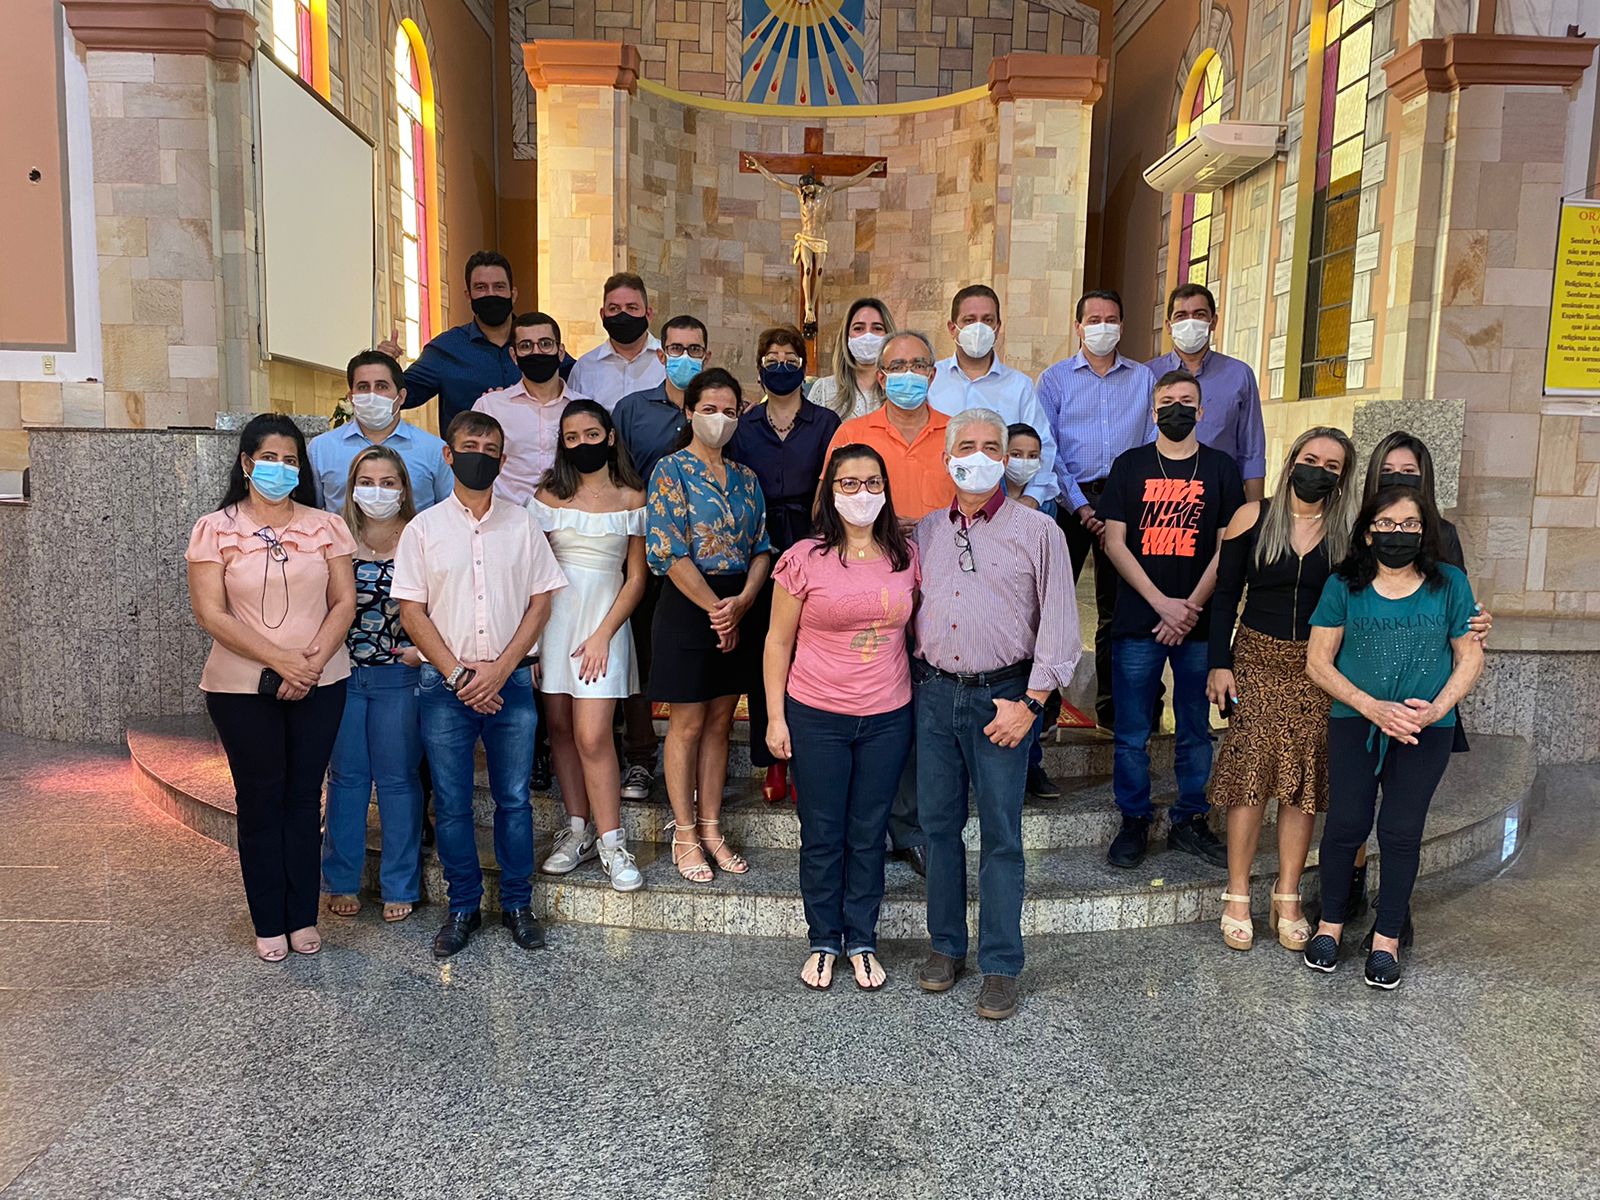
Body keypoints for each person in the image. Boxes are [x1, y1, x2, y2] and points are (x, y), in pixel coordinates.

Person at [912, 408, 1079, 1021]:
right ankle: (945, 946)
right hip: (934, 695)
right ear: (947, 457)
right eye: (966, 446)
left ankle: (1002, 964)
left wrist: (1031, 705)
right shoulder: (927, 530)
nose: (978, 457)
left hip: (1002, 698)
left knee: (1002, 836)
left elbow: (1059, 626)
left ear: (1007, 459)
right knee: (938, 827)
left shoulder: (1039, 532)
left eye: (991, 447)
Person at [393, 411, 568, 959]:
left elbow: (541, 603)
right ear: (449, 455)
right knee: (451, 803)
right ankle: (463, 906)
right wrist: (458, 674)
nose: (481, 457)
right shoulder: (423, 529)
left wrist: (499, 669)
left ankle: (517, 904)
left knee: (514, 800)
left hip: (509, 683)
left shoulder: (522, 525)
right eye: (470, 447)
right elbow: (412, 611)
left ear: (503, 460)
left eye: (491, 450)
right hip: (445, 687)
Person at [185, 413, 357, 963]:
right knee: (260, 799)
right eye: (269, 458)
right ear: (246, 462)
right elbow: (211, 613)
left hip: (321, 678)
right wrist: (282, 660)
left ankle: (302, 915)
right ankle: (268, 920)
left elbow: (344, 602)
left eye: (290, 460)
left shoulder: (326, 526)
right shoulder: (215, 528)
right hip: (239, 687)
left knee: (304, 799)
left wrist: (309, 664)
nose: (280, 469)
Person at [1303, 485, 1485, 989]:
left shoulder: (1449, 583)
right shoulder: (1344, 584)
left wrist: (1434, 712)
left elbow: (1470, 656)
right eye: (1386, 524)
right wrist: (1372, 707)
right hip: (1355, 722)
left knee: (1402, 831)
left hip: (1425, 730)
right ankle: (1329, 926)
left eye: (1409, 525)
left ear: (1424, 532)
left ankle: (1386, 940)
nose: (1397, 534)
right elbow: (1318, 661)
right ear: (1368, 532)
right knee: (1346, 824)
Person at [764, 444, 918, 991]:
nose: (862, 494)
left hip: (887, 716)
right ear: (830, 492)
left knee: (869, 832)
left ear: (886, 489)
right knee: (823, 833)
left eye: (873, 483)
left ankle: (863, 940)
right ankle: (825, 939)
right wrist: (775, 717)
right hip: (817, 715)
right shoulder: (804, 558)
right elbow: (777, 641)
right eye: (848, 484)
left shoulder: (906, 556)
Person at [1205, 427, 1360, 952]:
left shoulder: (1348, 534)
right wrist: (1219, 664)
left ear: (1343, 477)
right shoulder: (1253, 517)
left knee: (1303, 779)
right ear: (1292, 461)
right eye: (1311, 458)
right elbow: (1225, 596)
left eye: (1333, 466)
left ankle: (1287, 895)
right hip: (1255, 658)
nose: (1319, 470)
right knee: (1250, 773)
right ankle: (1237, 894)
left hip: (1316, 665)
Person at [1099, 369, 1244, 870]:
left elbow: (1228, 548)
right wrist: (1162, 604)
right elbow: (1114, 542)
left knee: (1194, 729)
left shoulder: (1221, 469)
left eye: (1186, 400)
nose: (1176, 408)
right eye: (1167, 401)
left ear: (1201, 411)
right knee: (1131, 731)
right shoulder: (1130, 465)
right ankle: (1134, 818)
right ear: (1153, 410)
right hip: (1139, 619)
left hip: (1198, 624)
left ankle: (1190, 818)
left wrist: (1188, 609)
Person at [1344, 431, 1490, 927]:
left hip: (1420, 692)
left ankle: (1395, 906)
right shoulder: (1353, 524)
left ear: (1425, 479)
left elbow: (1459, 605)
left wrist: (1478, 623)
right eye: (1388, 471)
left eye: (1409, 473)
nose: (1398, 479)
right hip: (1358, 685)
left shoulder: (1442, 533)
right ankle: (1352, 884)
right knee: (1353, 809)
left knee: (1403, 814)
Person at [824, 331, 954, 874]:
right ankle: (864, 825)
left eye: (918, 364)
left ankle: (909, 825)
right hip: (866, 590)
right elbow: (827, 506)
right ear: (880, 376)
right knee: (865, 707)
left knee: (918, 710)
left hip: (937, 591)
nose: (907, 374)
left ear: (932, 374)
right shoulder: (853, 433)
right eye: (896, 365)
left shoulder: (953, 432)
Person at [646, 368, 771, 882]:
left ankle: (712, 828)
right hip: (687, 603)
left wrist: (742, 602)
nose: (720, 419)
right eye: (710, 409)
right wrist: (716, 609)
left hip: (739, 602)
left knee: (720, 721)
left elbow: (762, 547)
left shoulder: (747, 478)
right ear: (689, 411)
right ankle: (684, 832)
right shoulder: (670, 470)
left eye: (730, 411)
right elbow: (667, 549)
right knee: (688, 723)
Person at [531, 400, 648, 892]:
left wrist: (603, 633)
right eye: (572, 437)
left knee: (594, 735)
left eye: (591, 434)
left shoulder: (632, 496)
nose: (582, 444)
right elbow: (533, 573)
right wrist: (531, 643)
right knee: (559, 728)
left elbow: (636, 577)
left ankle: (612, 842)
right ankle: (577, 830)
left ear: (610, 437)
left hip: (606, 624)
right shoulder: (547, 496)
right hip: (553, 622)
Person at [729, 325, 842, 804]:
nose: (781, 365)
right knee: (766, 650)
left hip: (812, 538)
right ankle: (773, 760)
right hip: (758, 545)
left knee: (809, 653)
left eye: (790, 358)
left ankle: (807, 759)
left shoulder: (825, 421)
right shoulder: (744, 425)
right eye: (772, 358)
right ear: (759, 368)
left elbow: (834, 480)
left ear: (803, 365)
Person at [1037, 289, 1157, 730]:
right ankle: (1045, 707)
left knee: (1117, 608)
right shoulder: (1054, 380)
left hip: (1126, 505)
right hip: (1069, 503)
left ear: (1122, 326)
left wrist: (1120, 506)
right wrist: (1083, 507)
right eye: (1094, 320)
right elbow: (1047, 447)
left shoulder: (1144, 379)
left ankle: (1112, 707)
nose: (1102, 327)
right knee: (1052, 606)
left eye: (1111, 319)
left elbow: (1150, 445)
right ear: (1078, 327)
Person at [320, 446, 426, 924]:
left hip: (399, 675)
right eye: (366, 481)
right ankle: (341, 880)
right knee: (346, 779)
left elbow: (444, 599)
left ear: (403, 489)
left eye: (387, 482)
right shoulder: (334, 536)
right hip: (342, 674)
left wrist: (422, 652)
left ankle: (400, 884)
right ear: (351, 486)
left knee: (398, 780)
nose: (376, 491)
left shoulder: (421, 536)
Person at [612, 314, 711, 802]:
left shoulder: (717, 409)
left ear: (707, 356)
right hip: (644, 553)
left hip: (705, 560)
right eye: (676, 349)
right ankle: (640, 757)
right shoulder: (632, 410)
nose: (685, 357)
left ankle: (697, 761)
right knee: (641, 656)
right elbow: (618, 476)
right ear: (661, 354)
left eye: (694, 349)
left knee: (699, 660)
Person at [928, 285, 1058, 512]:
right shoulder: (932, 380)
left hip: (1000, 507)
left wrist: (1032, 497)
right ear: (952, 328)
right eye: (969, 320)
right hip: (937, 504)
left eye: (987, 320)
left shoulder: (1019, 386)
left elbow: (1043, 446)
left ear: (998, 328)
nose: (978, 328)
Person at [1145, 283, 1267, 501]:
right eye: (1181, 316)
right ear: (1169, 326)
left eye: (1199, 314)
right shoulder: (1148, 375)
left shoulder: (1239, 375)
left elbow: (1252, 451)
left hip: (1220, 493)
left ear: (1213, 322)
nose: (1190, 322)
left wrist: (1255, 510)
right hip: (1160, 493)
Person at [382, 250, 524, 432]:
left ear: (513, 294)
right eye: (481, 287)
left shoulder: (538, 344)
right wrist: (382, 366)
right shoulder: (445, 349)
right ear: (468, 296)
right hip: (465, 450)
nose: (490, 294)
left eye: (499, 287)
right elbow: (400, 397)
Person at [1000, 422, 1063, 800]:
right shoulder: (985, 496)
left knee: (1032, 692)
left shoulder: (1047, 505)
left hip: (1030, 613)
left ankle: (1031, 766)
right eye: (1016, 454)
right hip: (993, 612)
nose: (1024, 462)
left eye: (1033, 456)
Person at [308, 351, 452, 513]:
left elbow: (449, 513)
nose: (372, 395)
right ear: (351, 397)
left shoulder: (434, 450)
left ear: (401, 396)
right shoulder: (321, 449)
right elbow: (310, 512)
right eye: (363, 387)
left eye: (381, 386)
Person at [472, 311, 588, 506]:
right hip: (508, 517)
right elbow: (473, 469)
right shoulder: (490, 407)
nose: (536, 352)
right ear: (514, 355)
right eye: (526, 346)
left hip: (568, 516)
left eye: (545, 344)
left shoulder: (585, 409)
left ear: (560, 352)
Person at [568, 272, 666, 410]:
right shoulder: (584, 368)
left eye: (632, 308)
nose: (623, 315)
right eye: (614, 308)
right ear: (602, 315)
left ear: (648, 314)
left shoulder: (670, 362)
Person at [810, 297, 896, 419]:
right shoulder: (824, 389)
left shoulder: (901, 390)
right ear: (847, 336)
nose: (867, 336)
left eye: (877, 328)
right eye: (858, 328)